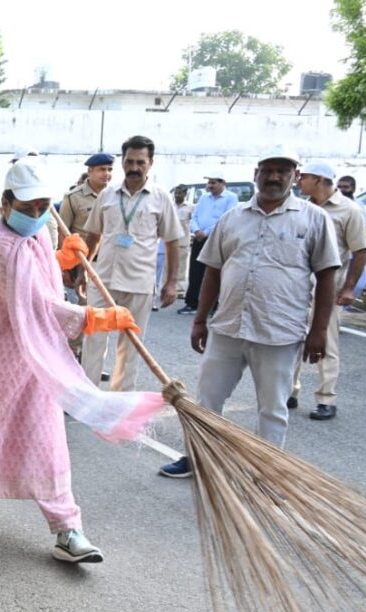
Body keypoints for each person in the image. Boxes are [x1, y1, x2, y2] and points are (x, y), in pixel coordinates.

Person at [0, 156, 162, 563]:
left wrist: (61, 259)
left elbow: (37, 271)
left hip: (34, 359)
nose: (37, 213)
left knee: (46, 440)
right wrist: (92, 317)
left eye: (43, 205)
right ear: (9, 201)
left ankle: (68, 529)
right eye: (29, 206)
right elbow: (34, 301)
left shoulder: (32, 237)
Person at [160, 146, 341, 478]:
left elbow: (327, 275)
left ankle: (266, 473)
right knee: (208, 400)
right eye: (267, 169)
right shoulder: (233, 218)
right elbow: (212, 270)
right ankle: (198, 458)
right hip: (228, 327)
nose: (274, 176)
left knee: (272, 409)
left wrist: (319, 330)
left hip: (279, 333)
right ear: (256, 173)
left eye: (282, 171)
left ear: (294, 177)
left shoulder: (313, 219)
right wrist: (200, 320)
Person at [80, 135, 184, 391]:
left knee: (131, 344)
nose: (135, 168)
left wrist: (171, 283)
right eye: (129, 161)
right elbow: (93, 234)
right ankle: (87, 393)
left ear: (151, 163)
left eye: (141, 162)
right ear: (123, 162)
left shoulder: (161, 198)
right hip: (103, 280)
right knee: (93, 338)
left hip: (139, 282)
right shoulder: (107, 195)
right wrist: (85, 270)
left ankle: (120, 397)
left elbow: (173, 242)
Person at [288, 162, 366, 420]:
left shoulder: (348, 210)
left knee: (326, 342)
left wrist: (348, 288)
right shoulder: (302, 206)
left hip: (329, 288)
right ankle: (289, 390)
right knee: (291, 339)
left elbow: (360, 251)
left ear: (320, 180)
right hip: (297, 285)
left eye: (305, 177)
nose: (299, 180)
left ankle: (326, 398)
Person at [178, 173, 239, 315]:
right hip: (200, 238)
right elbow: (195, 217)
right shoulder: (204, 197)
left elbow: (226, 218)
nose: (210, 186)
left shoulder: (231, 198)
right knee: (195, 271)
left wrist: (207, 232)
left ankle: (215, 305)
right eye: (209, 183)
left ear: (222, 183)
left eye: (213, 183)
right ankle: (192, 302)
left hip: (217, 239)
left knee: (215, 271)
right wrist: (197, 230)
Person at [58, 153, 114, 304]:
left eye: (110, 169)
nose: (106, 174)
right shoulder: (74, 197)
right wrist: (64, 267)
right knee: (87, 307)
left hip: (110, 261)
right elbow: (63, 231)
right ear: (90, 171)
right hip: (84, 261)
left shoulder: (116, 196)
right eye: (101, 169)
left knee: (110, 308)